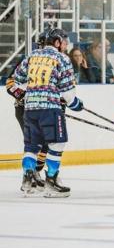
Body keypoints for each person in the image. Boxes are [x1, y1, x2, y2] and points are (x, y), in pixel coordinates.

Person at [12, 28, 84, 197]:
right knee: (57, 144)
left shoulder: (32, 56)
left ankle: (27, 180)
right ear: (57, 42)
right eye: (64, 42)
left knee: (31, 146)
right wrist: (76, 104)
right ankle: (51, 181)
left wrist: (34, 90)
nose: (65, 45)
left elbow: (17, 81)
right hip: (50, 109)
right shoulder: (62, 59)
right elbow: (67, 95)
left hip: (29, 108)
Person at [5, 30, 49, 193]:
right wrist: (22, 95)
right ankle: (28, 175)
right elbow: (10, 83)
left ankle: (35, 172)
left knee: (46, 142)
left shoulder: (54, 62)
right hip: (25, 108)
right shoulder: (28, 61)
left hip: (44, 108)